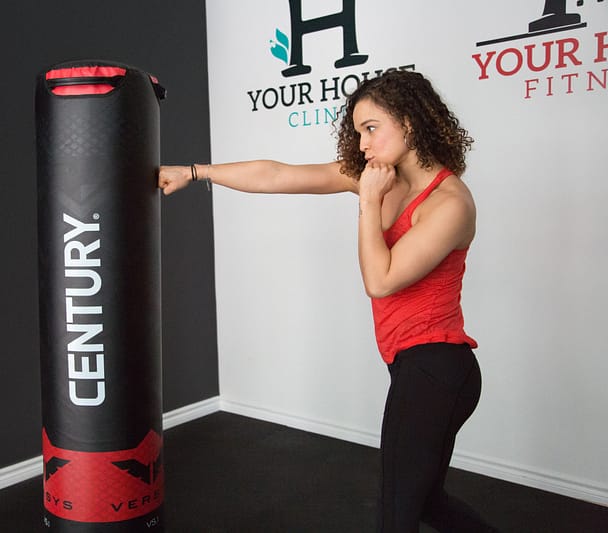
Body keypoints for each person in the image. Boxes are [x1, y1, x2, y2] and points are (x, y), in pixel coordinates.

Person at [158, 69, 497, 532]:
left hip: (436, 370)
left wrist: (368, 203)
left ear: (410, 123)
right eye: (358, 132)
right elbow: (277, 175)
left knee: (396, 515)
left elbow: (381, 280)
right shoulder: (382, 181)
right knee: (426, 503)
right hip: (417, 366)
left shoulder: (450, 202)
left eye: (371, 129)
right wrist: (195, 172)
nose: (362, 144)